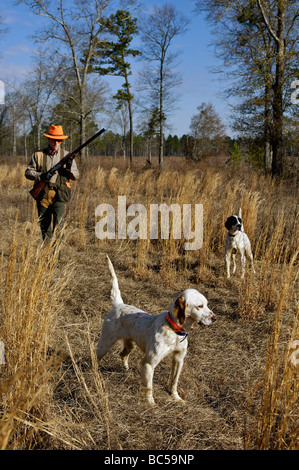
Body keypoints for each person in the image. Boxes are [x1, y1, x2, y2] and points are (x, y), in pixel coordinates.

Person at [25, 124, 79, 244]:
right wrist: (41, 176)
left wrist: (69, 167)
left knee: (59, 226)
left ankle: (55, 257)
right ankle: (47, 254)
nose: (56, 142)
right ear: (49, 139)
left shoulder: (67, 155)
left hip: (59, 195)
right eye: (53, 139)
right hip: (42, 194)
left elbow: (76, 176)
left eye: (59, 140)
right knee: (45, 227)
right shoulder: (38, 155)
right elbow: (28, 172)